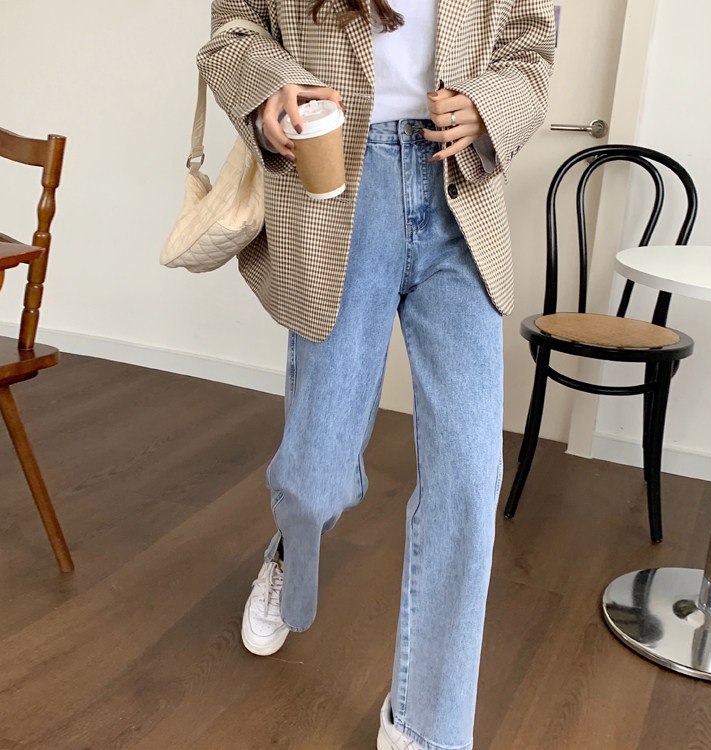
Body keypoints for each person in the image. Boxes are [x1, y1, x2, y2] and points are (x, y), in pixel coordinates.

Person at [197, 1, 554, 747]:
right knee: (315, 476)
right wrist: (271, 87)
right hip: (340, 187)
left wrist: (489, 106)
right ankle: (290, 548)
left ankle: (426, 728)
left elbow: (532, 46)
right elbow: (235, 27)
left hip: (459, 193)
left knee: (468, 482)